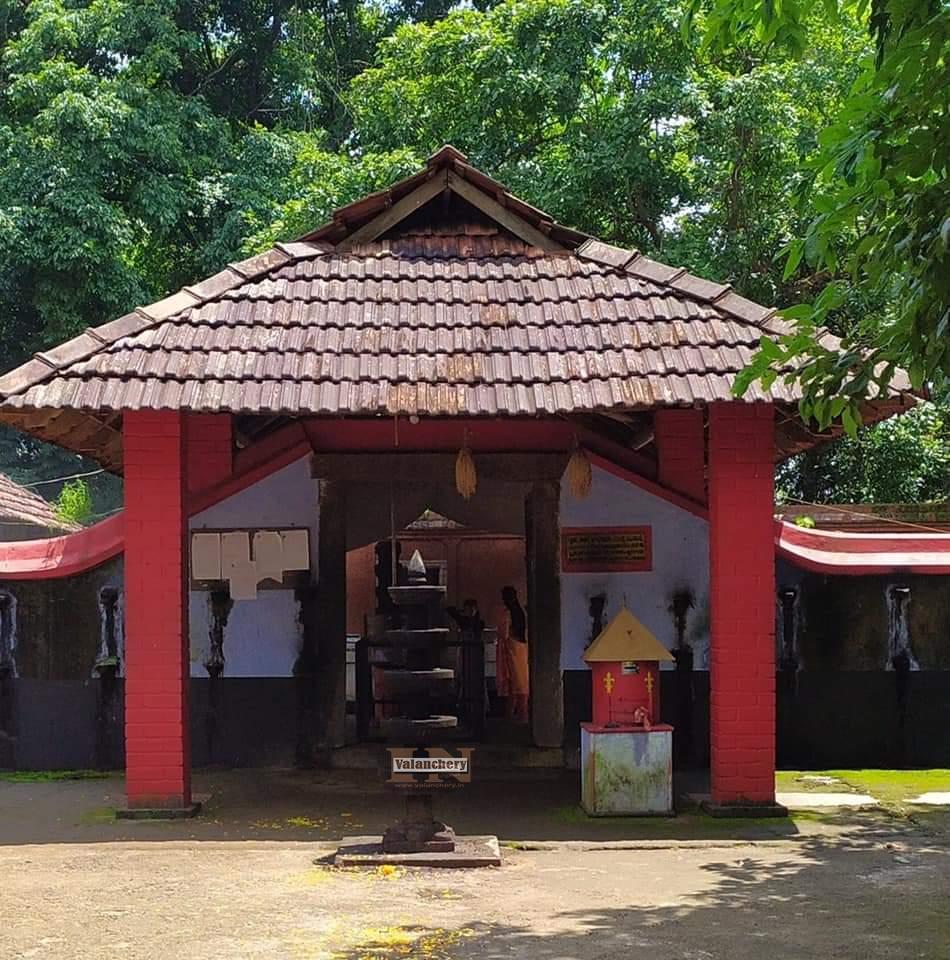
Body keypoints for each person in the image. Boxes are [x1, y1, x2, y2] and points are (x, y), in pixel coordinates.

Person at [500, 585, 529, 723]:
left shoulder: (509, 613)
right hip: (521, 648)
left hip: (512, 648)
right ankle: (513, 714)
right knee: (519, 682)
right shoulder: (520, 611)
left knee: (517, 682)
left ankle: (521, 715)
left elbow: (504, 633)